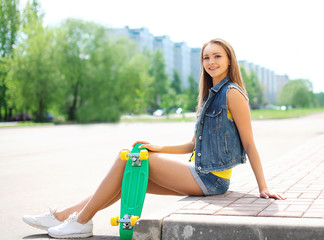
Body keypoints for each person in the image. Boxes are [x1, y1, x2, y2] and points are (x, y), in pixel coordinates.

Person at [23, 38, 286, 239]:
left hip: (213, 179)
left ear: (229, 60)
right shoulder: (210, 95)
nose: (211, 62)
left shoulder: (232, 94)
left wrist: (263, 187)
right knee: (127, 177)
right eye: (206, 57)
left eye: (217, 56)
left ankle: (81, 222)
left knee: (127, 158)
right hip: (200, 171)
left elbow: (249, 143)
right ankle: (62, 216)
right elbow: (194, 145)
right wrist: (158, 147)